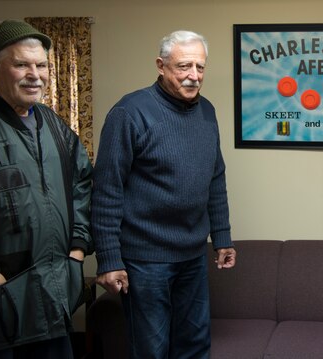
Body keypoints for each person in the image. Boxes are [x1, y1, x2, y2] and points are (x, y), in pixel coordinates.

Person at [0, 20, 93, 358]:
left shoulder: (54, 126)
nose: (34, 74)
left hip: (52, 303)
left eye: (41, 65)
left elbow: (82, 185)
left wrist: (77, 249)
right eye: (21, 64)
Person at [92, 30, 236, 359]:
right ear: (161, 65)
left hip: (193, 254)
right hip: (145, 259)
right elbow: (107, 190)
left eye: (200, 67)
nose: (194, 76)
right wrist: (109, 259)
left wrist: (223, 237)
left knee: (195, 345)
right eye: (184, 66)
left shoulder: (207, 112)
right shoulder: (130, 112)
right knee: (151, 350)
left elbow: (215, 177)